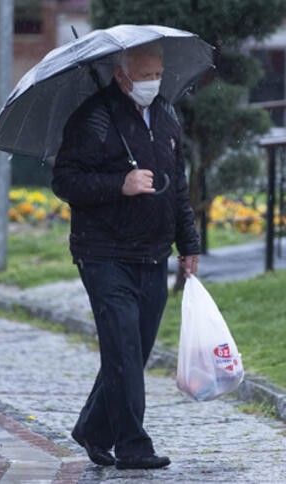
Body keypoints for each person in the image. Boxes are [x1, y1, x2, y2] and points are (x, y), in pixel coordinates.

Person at [51, 41, 200, 470]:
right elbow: (65, 180)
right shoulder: (94, 118)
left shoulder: (167, 114)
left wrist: (188, 243)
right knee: (122, 350)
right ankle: (133, 446)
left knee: (133, 353)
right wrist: (121, 182)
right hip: (103, 253)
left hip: (152, 253)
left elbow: (177, 187)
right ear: (121, 76)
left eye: (158, 74)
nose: (153, 83)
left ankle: (92, 431)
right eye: (145, 76)